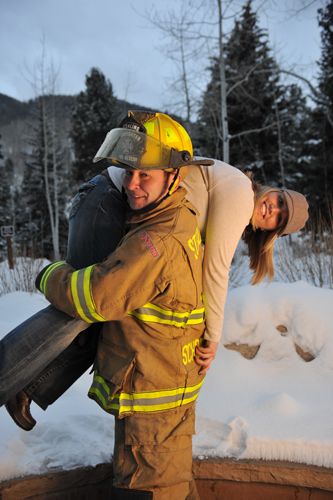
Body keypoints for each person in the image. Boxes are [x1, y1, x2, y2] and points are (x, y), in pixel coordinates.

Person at [1, 110, 309, 433]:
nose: (273, 210)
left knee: (104, 311)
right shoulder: (242, 194)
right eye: (279, 201)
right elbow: (215, 268)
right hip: (108, 199)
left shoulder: (233, 200)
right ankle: (9, 376)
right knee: (84, 304)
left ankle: (28, 386)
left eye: (279, 218)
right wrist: (213, 336)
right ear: (272, 190)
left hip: (108, 200)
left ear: (273, 234)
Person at [33, 110, 209, 499]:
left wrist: (49, 276)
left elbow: (96, 296)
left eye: (146, 174)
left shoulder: (155, 243)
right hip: (167, 390)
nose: (133, 184)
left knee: (147, 490)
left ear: (174, 175)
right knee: (174, 484)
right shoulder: (181, 213)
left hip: (150, 408)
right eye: (128, 171)